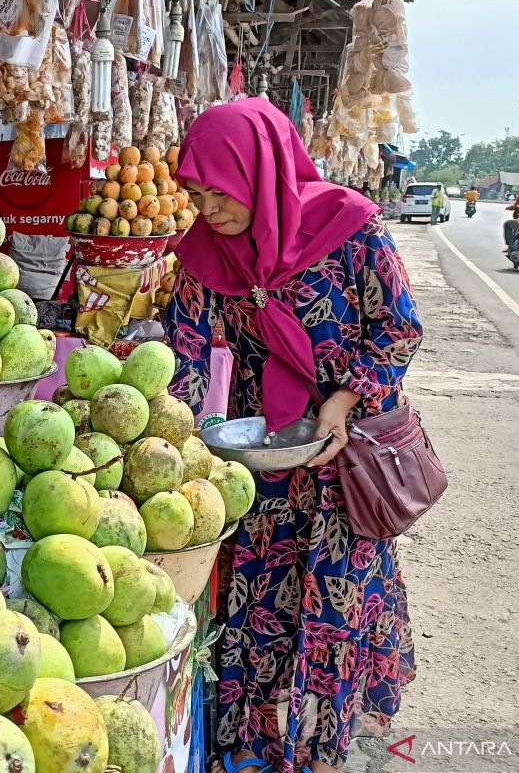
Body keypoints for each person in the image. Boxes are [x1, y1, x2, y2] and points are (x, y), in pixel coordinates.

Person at [166, 99, 420, 773]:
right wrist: (177, 434)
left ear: (260, 170)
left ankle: (325, 747)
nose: (207, 207)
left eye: (218, 189)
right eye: (194, 192)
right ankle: (259, 745)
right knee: (260, 608)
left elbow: (398, 329)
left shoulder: (352, 228)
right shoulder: (202, 252)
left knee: (331, 608)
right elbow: (184, 358)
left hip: (345, 459)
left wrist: (342, 400)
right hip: (266, 463)